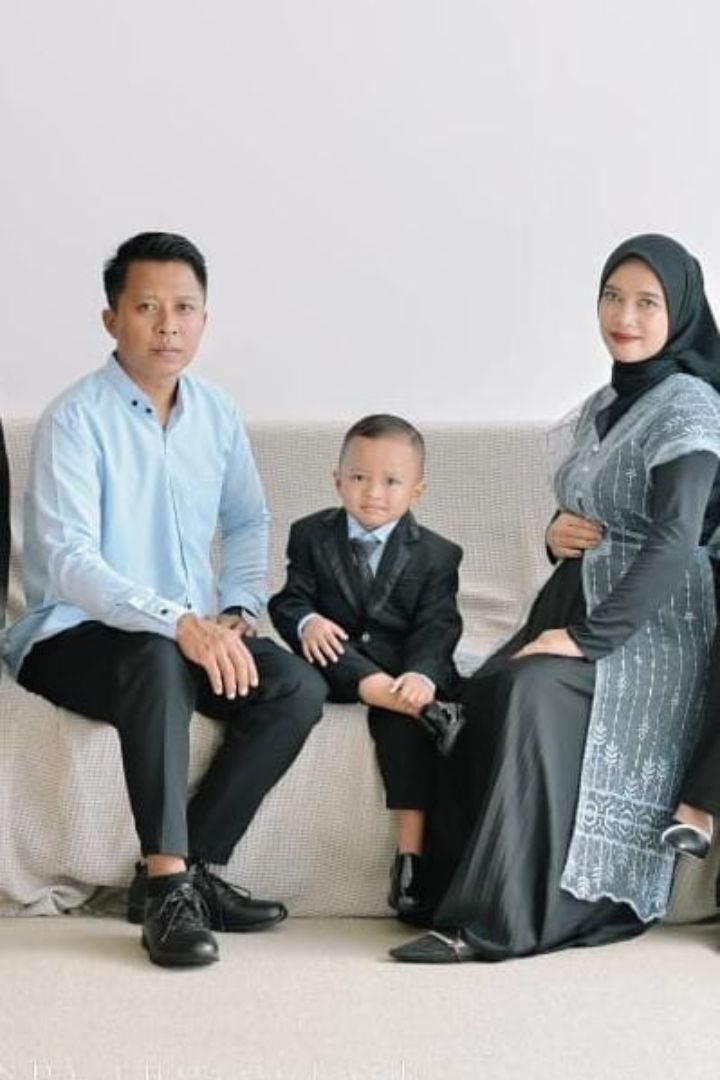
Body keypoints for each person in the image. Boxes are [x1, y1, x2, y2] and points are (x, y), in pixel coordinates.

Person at [390, 233, 720, 963]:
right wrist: (554, 533)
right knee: (479, 693)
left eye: (647, 303)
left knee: (530, 692)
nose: (624, 317)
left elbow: (674, 539)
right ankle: (442, 893)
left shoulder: (690, 408)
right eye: (612, 297)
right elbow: (593, 506)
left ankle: (500, 921)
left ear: (680, 313)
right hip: (572, 602)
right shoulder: (608, 402)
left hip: (651, 628)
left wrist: (589, 638)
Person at [5, 232, 327, 967]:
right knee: (155, 660)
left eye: (184, 308)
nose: (168, 326)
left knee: (296, 686)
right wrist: (177, 621)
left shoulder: (217, 413)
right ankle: (168, 888)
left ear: (204, 321)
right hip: (71, 635)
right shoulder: (74, 419)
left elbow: (247, 519)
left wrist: (235, 612)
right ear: (111, 319)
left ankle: (190, 874)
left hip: (188, 633)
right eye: (147, 307)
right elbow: (71, 560)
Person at [269, 414, 464, 917]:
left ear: (417, 491)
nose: (373, 492)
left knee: (404, 729)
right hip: (332, 663)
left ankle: (410, 860)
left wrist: (422, 674)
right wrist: (308, 620)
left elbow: (438, 626)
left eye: (391, 481)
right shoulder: (310, 535)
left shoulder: (438, 555)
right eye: (359, 477)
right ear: (338, 480)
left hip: (399, 671)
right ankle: (388, 692)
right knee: (323, 652)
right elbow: (289, 599)